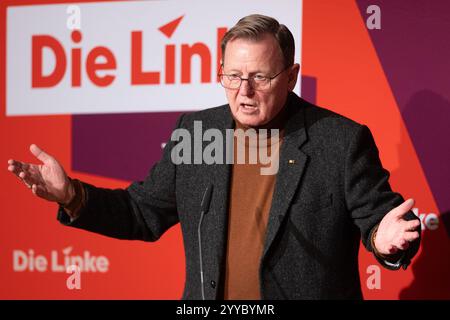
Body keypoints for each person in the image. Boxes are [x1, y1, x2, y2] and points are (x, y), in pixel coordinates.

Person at [7, 14, 420, 299]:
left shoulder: (340, 141)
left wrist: (385, 245)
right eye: (232, 76)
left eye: (260, 77)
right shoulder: (197, 131)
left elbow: (382, 225)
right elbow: (142, 213)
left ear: (291, 76)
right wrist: (72, 196)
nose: (244, 91)